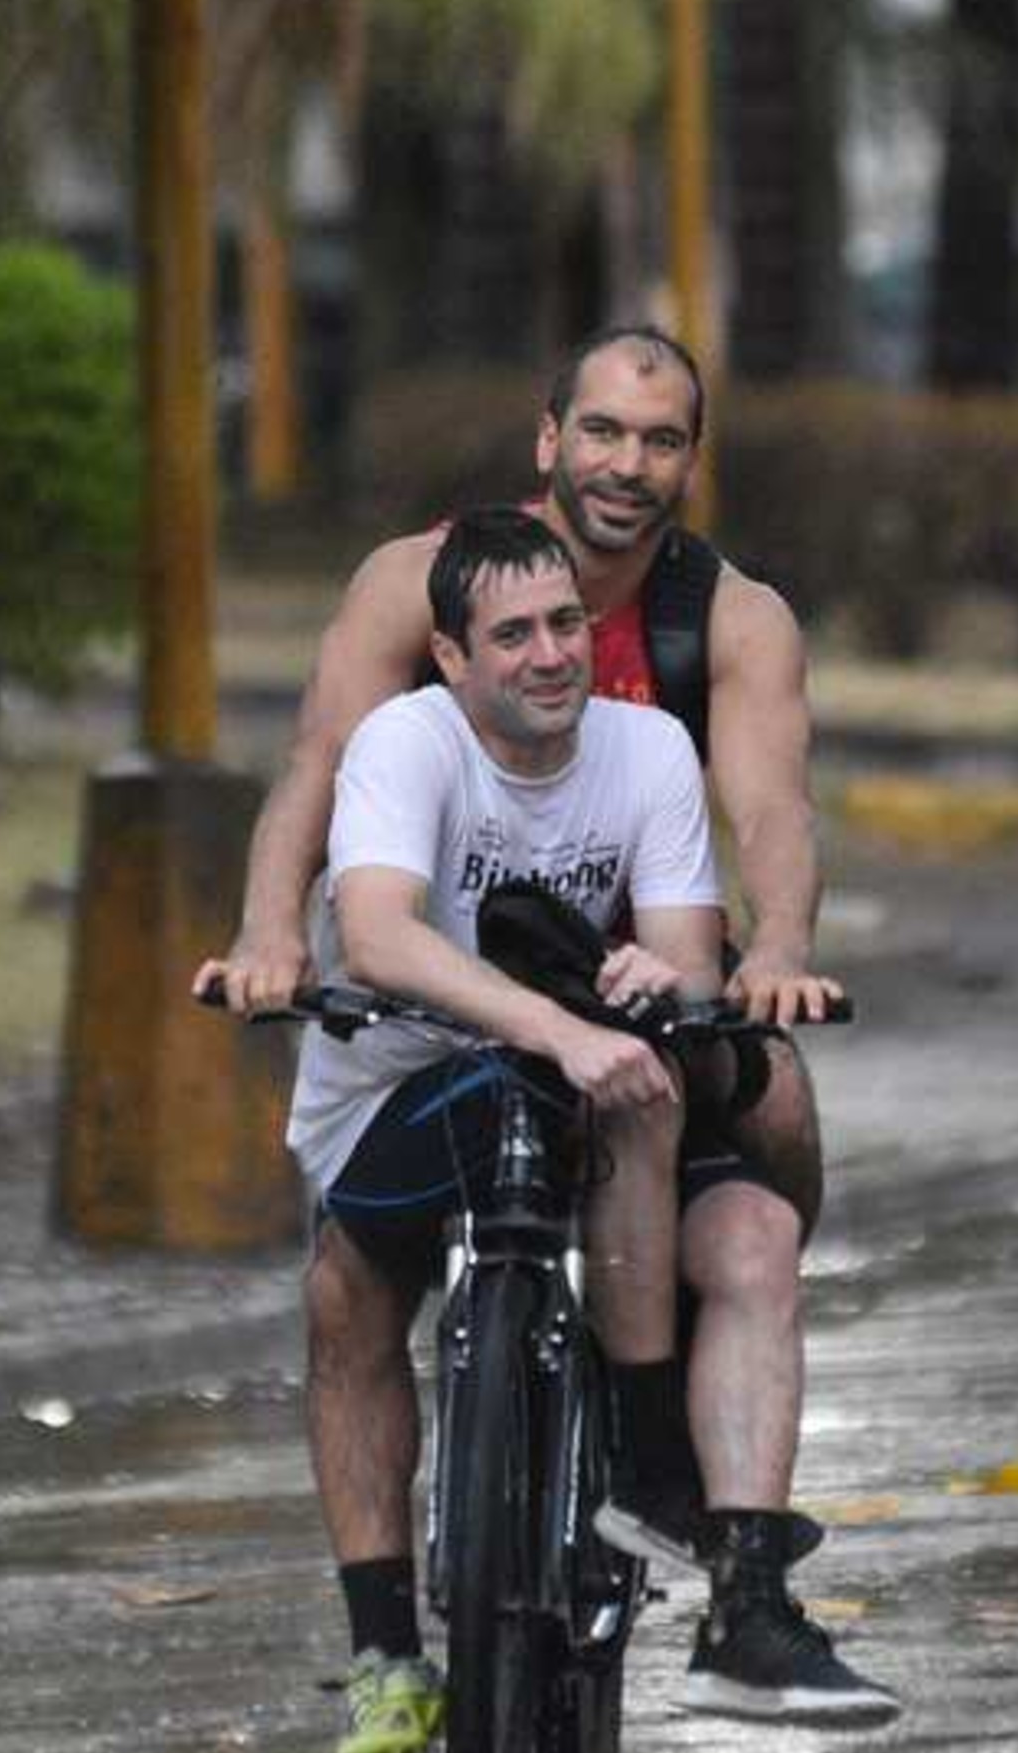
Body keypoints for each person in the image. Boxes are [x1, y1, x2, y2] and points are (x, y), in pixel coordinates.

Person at [201, 509, 899, 1753]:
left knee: (681, 1133)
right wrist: (551, 1028)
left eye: (566, 624)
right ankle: (385, 1655)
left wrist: (652, 972)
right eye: (510, 634)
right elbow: (379, 937)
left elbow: (691, 943)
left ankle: (653, 1471)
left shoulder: (644, 751)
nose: (546, 653)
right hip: (407, 1077)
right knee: (347, 1296)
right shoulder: (404, 744)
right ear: (452, 660)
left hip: (590, 1082)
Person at [213, 322, 831, 1231]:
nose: (628, 465)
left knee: (778, 1108)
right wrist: (268, 932)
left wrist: (778, 949)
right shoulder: (413, 580)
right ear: (549, 440)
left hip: (637, 962)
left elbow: (774, 809)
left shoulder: (734, 618)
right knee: (344, 1295)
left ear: (692, 464)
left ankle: (738, 1313)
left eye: (661, 442)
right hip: (436, 969)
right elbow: (319, 762)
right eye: (602, 431)